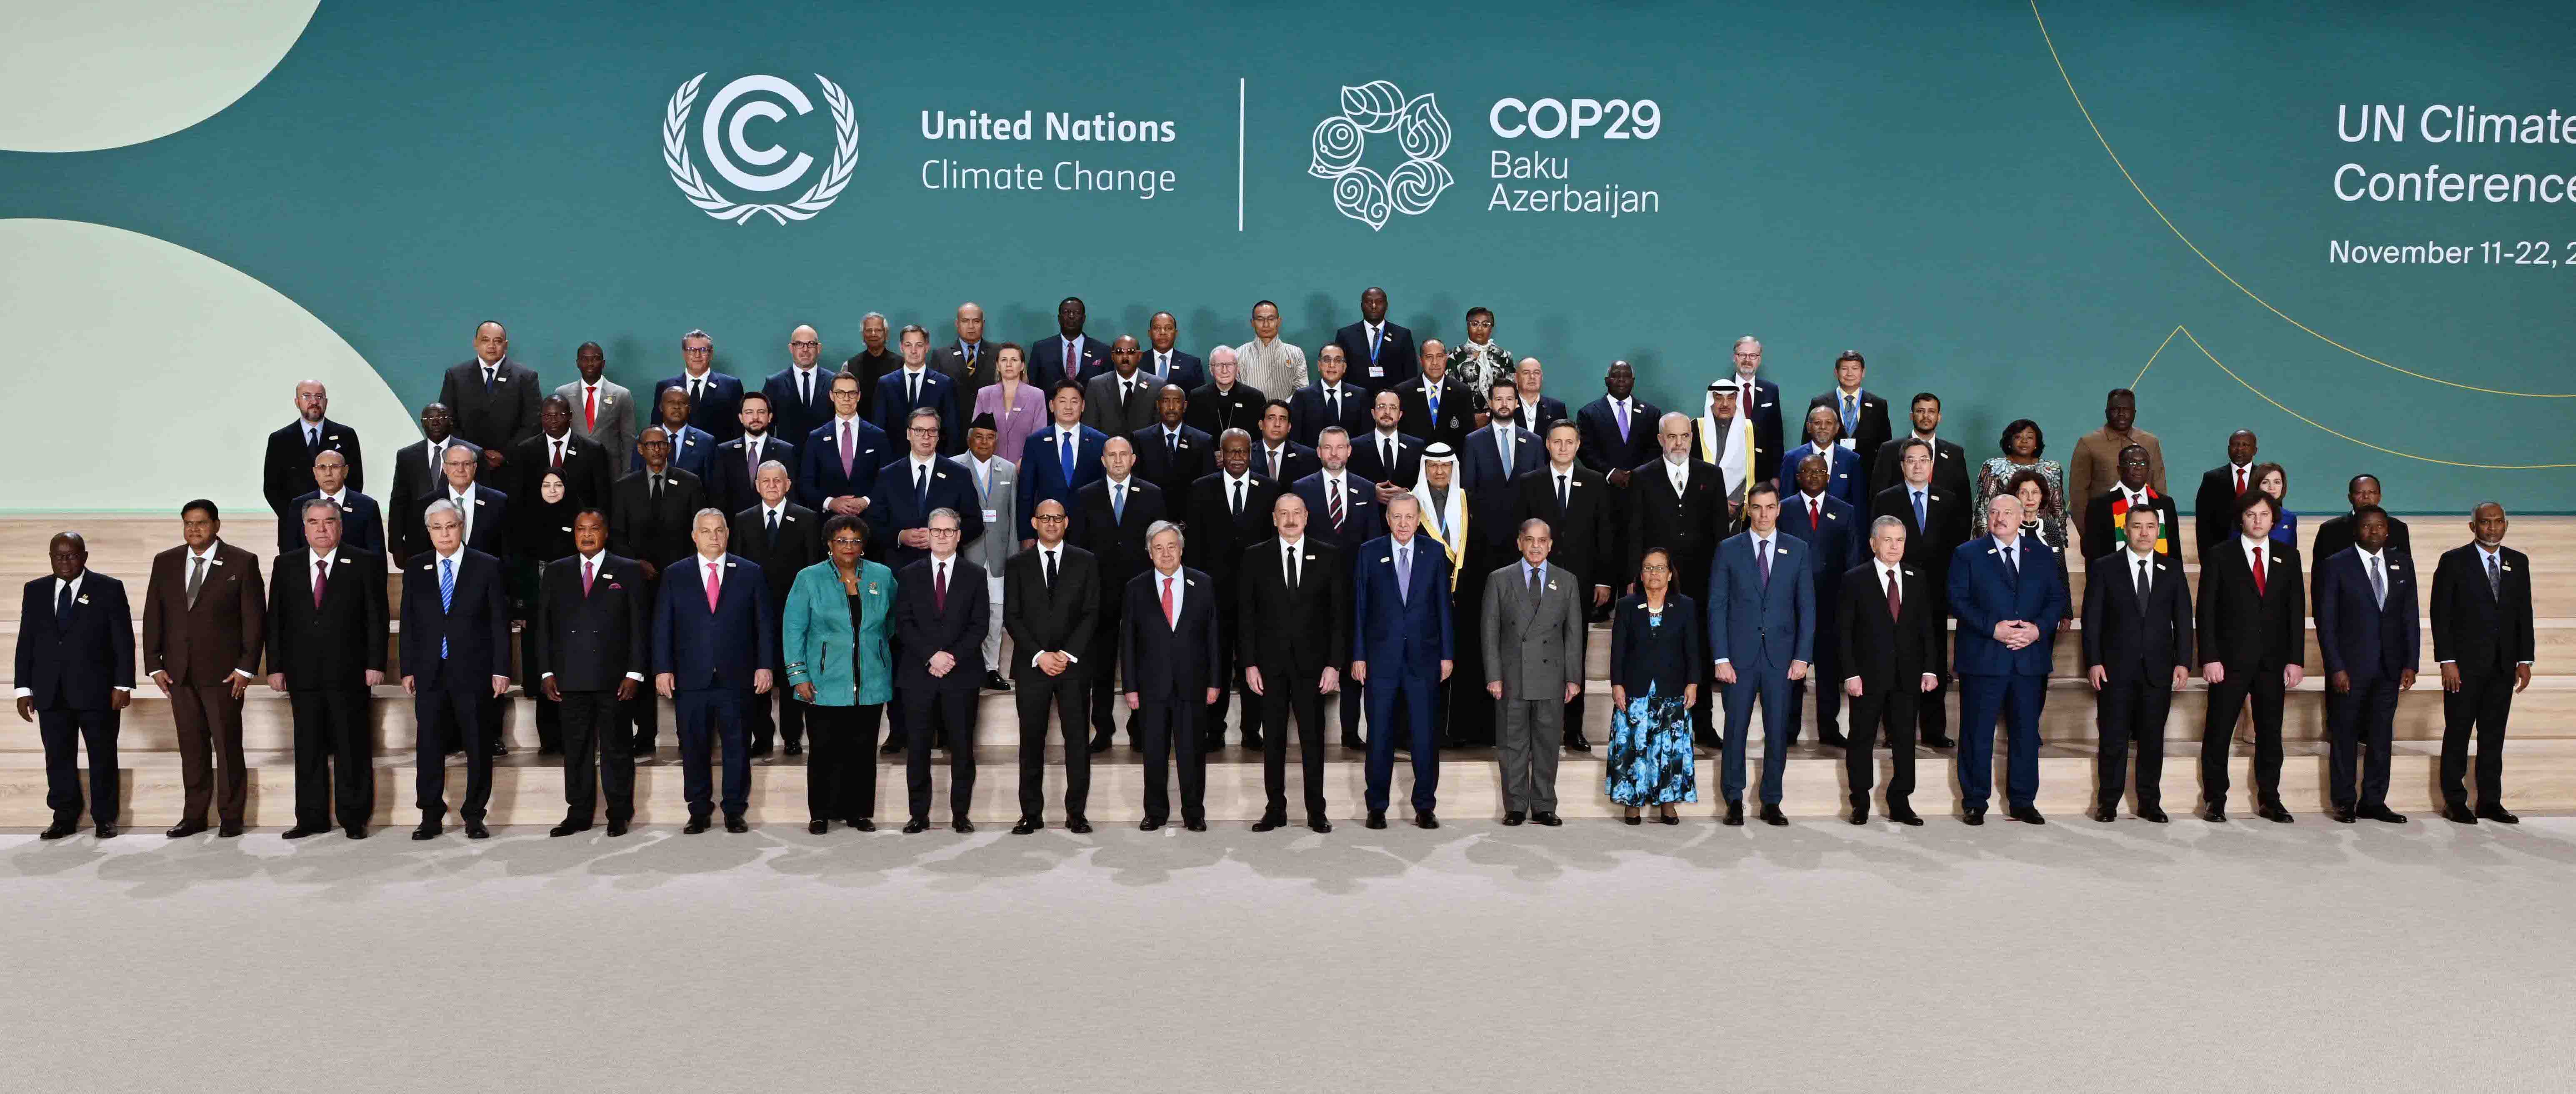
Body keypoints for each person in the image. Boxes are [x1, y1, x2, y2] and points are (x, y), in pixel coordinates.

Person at [265, 500, 387, 839]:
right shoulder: (286, 564)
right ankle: (311, 818)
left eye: (329, 521)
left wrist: (376, 663)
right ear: (304, 528)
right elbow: (275, 620)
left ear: (340, 526)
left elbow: (376, 617)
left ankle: (354, 817)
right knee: (308, 747)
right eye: (314, 522)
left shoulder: (364, 562)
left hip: (350, 672)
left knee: (352, 745)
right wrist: (274, 667)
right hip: (301, 673)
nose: (322, 529)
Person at [652, 509, 775, 833]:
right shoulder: (675, 574)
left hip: (737, 676)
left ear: (728, 533)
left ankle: (735, 810)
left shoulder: (750, 572)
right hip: (691, 676)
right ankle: (699, 810)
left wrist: (765, 665)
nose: (713, 537)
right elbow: (663, 625)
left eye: (719, 530)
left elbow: (764, 624)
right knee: (694, 747)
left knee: (737, 747)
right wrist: (662, 668)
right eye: (706, 531)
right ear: (695, 536)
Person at [1948, 493, 2066, 825]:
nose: (2000, 518)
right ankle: (1974, 801)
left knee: (2026, 733)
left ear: (2021, 516)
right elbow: (1957, 600)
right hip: (1983, 658)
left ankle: (2023, 801)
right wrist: (1993, 629)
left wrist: (2037, 630)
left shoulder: (2041, 554)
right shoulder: (1967, 554)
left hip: (2029, 659)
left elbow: (2056, 599)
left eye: (2007, 512)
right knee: (1976, 733)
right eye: (1994, 512)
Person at [532, 509, 649, 836]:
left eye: (594, 528)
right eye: (581, 529)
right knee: (576, 750)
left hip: (615, 678)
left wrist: (635, 673)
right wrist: (545, 672)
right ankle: (579, 813)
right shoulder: (556, 571)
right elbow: (543, 627)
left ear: (606, 533)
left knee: (617, 748)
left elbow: (640, 626)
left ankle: (619, 813)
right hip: (569, 678)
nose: (587, 535)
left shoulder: (628, 570)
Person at [400, 501, 510, 839]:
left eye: (450, 526)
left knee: (477, 744)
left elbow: (499, 622)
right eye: (437, 527)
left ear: (461, 527)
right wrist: (408, 668)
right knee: (429, 745)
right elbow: (409, 621)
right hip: (430, 671)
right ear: (429, 531)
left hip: (474, 671)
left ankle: (474, 815)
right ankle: (430, 815)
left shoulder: (487, 565)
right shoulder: (416, 567)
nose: (445, 533)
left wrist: (501, 668)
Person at [1707, 483, 1816, 826]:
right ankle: (1733, 799)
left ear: (1779, 509)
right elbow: (1717, 606)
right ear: (1748, 510)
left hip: (1781, 659)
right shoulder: (1728, 549)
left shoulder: (1797, 549)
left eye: (1770, 507)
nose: (1764, 514)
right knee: (1734, 730)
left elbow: (1806, 607)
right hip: (1738, 659)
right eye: (1757, 507)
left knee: (1778, 732)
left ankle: (1771, 800)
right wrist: (1721, 657)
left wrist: (1802, 656)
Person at [1239, 494, 1348, 832]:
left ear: (1306, 516)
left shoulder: (1328, 555)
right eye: (1283, 514)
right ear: (1274, 519)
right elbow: (1246, 615)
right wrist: (1249, 663)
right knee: (1272, 741)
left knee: (1312, 741)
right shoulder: (1255, 556)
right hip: (1268, 667)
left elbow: (1339, 616)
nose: (1290, 519)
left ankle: (1316, 811)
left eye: (1296, 513)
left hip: (1313, 667)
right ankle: (1275, 809)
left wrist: (1334, 664)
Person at [2195, 490, 2306, 823]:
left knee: (2270, 733)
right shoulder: (2220, 555)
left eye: (2264, 515)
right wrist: (2209, 657)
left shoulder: (2288, 556)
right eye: (2250, 515)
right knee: (2218, 732)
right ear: (2241, 519)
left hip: (2273, 662)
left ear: (2274, 520)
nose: (2257, 521)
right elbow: (2206, 610)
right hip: (2228, 662)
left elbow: (2295, 611)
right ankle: (2214, 799)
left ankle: (2270, 799)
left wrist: (2295, 659)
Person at [16, 532, 135, 839]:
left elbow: (123, 640)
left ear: (84, 556)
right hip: (50, 691)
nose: (64, 561)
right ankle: (64, 817)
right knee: (57, 757)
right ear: (50, 558)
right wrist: (23, 689)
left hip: (98, 691)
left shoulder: (108, 588)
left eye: (71, 555)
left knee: (103, 755)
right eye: (58, 556)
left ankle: (105, 818)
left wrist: (123, 684)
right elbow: (26, 641)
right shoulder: (35, 590)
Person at [783, 515, 895, 832]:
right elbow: (793, 629)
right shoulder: (809, 578)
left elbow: (891, 622)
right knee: (824, 749)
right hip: (823, 681)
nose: (849, 546)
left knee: (863, 749)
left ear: (864, 545)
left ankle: (859, 812)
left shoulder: (882, 575)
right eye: (842, 540)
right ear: (830, 544)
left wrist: (876, 651)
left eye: (856, 540)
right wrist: (799, 676)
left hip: (870, 679)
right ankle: (821, 813)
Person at [2079, 505, 2189, 823]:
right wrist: (2094, 661)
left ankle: (2149, 802)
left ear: (2158, 531)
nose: (2144, 533)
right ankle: (2107, 802)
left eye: (2150, 526)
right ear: (2125, 530)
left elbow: (2183, 620)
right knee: (2112, 739)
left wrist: (2183, 661)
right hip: (2114, 669)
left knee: (2152, 739)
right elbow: (2092, 620)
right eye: (2137, 526)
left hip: (2158, 669)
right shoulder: (2104, 567)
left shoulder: (2172, 568)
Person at [1352, 493, 1455, 829]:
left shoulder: (1434, 552)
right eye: (1396, 517)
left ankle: (1425, 806)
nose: (1403, 523)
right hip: (1380, 661)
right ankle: (1376, 807)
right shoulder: (1369, 552)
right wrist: (1359, 655)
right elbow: (1360, 608)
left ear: (1418, 518)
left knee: (1424, 736)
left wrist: (1447, 654)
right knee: (1379, 735)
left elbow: (1443, 606)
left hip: (1424, 660)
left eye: (1409, 517)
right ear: (1387, 519)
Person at [2312, 505, 2418, 824]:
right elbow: (2326, 622)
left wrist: (2411, 662)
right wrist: (2336, 666)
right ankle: (2344, 801)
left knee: (2381, 736)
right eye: (2367, 526)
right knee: (2344, 734)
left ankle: (2374, 800)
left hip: (2389, 666)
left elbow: (2409, 615)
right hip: (2349, 668)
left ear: (2388, 530)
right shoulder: (2336, 564)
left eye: (2380, 527)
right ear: (2356, 529)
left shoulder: (2401, 562)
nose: (2374, 532)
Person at [2431, 503, 2532, 824]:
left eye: (2497, 522)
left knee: (2493, 736)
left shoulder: (2518, 561)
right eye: (2485, 522)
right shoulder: (2453, 561)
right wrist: (2447, 661)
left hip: (2502, 666)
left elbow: (2523, 613)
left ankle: (2489, 801)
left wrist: (2524, 659)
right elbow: (2440, 615)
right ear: (2472, 526)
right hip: (2463, 667)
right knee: (2458, 732)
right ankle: (2454, 800)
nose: (2491, 528)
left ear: (2506, 525)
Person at [1512, 421, 1611, 749]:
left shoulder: (1595, 482)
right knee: (1535, 654)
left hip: (1580, 584)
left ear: (1578, 445)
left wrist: (1603, 579)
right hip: (1536, 581)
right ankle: (1537, 730)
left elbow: (1604, 533)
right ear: (1547, 444)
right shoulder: (1529, 482)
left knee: (1574, 654)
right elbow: (1520, 534)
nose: (1564, 447)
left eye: (1570, 442)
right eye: (1558, 442)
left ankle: (1573, 730)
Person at [610, 426, 707, 757]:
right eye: (650, 444)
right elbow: (616, 535)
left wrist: (679, 569)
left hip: (681, 584)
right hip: (638, 585)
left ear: (669, 448)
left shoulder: (690, 483)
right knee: (642, 655)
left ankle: (687, 733)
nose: (656, 449)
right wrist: (635, 564)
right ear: (640, 449)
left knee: (682, 655)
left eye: (661, 444)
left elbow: (698, 532)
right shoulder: (624, 487)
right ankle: (645, 734)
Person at [1004, 500, 1099, 834]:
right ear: (1034, 522)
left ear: (1066, 522)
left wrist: (1066, 653)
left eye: (1057, 518)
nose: (1051, 523)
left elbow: (1091, 611)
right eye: (1044, 518)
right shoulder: (1017, 564)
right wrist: (1040, 655)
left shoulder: (1085, 561)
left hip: (1073, 666)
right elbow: (1012, 616)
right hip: (1032, 666)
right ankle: (1030, 813)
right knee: (1031, 741)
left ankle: (1077, 813)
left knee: (1077, 741)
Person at [1483, 519, 1587, 827]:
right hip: (1512, 676)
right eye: (1530, 540)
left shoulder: (1567, 581)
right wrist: (1494, 675)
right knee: (1512, 744)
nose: (1536, 546)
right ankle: (1515, 806)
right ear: (1519, 543)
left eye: (1542, 540)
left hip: (1550, 676)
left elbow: (1574, 634)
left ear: (1550, 545)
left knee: (1547, 745)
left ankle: (1544, 806)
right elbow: (1490, 633)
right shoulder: (1499, 579)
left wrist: (1573, 677)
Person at [1629, 412, 1724, 744]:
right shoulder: (1642, 476)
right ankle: (1658, 723)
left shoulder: (1711, 475)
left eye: (1684, 436)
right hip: (1655, 583)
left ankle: (1704, 724)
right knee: (1658, 649)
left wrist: (1720, 580)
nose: (1679, 443)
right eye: (1672, 437)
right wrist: (1635, 578)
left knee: (1699, 648)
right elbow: (1635, 532)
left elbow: (1720, 534)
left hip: (1701, 581)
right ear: (1660, 440)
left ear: (1692, 438)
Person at [1119, 522, 1222, 829]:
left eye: (1171, 547)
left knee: (1192, 752)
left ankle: (1194, 813)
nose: (1166, 554)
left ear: (1181, 549)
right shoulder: (1135, 588)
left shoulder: (1202, 583)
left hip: (1193, 683)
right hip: (1151, 686)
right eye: (1158, 548)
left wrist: (1215, 681)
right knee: (1154, 753)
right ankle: (1155, 812)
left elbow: (1213, 637)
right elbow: (1128, 642)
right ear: (1150, 553)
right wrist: (1130, 687)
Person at [1840, 517, 1941, 826]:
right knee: (1861, 739)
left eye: (1899, 540)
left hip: (1907, 676)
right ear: (1873, 543)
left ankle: (1900, 802)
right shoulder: (1855, 579)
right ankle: (1860, 802)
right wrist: (1850, 674)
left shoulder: (1917, 577)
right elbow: (1843, 632)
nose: (1894, 546)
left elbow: (1927, 628)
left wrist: (1930, 669)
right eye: (1887, 540)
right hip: (1867, 676)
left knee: (1905, 740)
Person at [1184, 428, 1281, 750]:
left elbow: (1274, 545)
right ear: (1221, 455)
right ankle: (1214, 729)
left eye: (1243, 452)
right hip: (1215, 594)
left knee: (1254, 661)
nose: (1237, 457)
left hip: (1259, 596)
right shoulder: (1201, 489)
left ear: (1251, 454)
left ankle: (1252, 729)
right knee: (1217, 662)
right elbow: (1194, 547)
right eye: (1231, 452)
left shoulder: (1270, 489)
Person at [890, 509, 986, 832]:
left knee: (962, 748)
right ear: (928, 535)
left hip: (961, 674)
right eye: (936, 531)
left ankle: (961, 814)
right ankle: (918, 814)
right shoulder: (908, 574)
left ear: (958, 536)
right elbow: (903, 623)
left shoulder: (975, 575)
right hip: (919, 674)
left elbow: (979, 625)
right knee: (918, 748)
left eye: (948, 531)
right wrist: (931, 656)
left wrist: (950, 657)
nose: (942, 536)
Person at [1869, 436, 1967, 748]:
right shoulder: (1886, 499)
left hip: (1935, 594)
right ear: (1902, 465)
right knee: (1894, 659)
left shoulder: (1948, 499)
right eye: (1911, 460)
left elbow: (1956, 548)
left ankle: (1934, 729)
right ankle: (1895, 731)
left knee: (1933, 659)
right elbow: (1877, 546)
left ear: (1932, 464)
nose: (1918, 466)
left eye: (1924, 460)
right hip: (1895, 590)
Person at [1292, 426, 1384, 750]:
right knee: (1315, 660)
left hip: (1355, 592)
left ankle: (1350, 732)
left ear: (1349, 451)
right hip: (1313, 594)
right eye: (1328, 448)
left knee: (1353, 661)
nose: (1334, 454)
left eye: (1340, 447)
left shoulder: (1366, 488)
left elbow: (1373, 542)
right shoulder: (1301, 489)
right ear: (1318, 452)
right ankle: (1313, 733)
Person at [1070, 437, 1165, 752]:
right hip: (1100, 592)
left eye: (1124, 454)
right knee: (1101, 664)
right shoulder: (1086, 495)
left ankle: (1141, 730)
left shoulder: (1152, 494)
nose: (1118, 460)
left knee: (1144, 661)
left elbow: (1160, 545)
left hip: (1142, 591)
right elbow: (1079, 548)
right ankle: (1102, 729)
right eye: (1112, 455)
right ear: (1103, 460)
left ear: (1133, 459)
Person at [731, 460, 822, 756]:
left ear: (788, 485)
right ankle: (762, 736)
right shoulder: (742, 520)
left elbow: (813, 567)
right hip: (755, 612)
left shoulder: (807, 518)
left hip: (794, 611)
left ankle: (792, 736)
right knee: (758, 673)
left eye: (777, 480)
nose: (772, 485)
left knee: (791, 673)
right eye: (766, 481)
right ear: (757, 486)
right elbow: (737, 568)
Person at [1607, 548, 1701, 824]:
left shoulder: (1685, 606)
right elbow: (1618, 651)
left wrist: (1693, 683)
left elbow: (1693, 649)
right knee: (1632, 746)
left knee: (1669, 747)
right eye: (1648, 568)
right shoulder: (1627, 605)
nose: (1654, 573)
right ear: (1641, 574)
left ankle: (1668, 803)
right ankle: (1632, 803)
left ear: (1670, 574)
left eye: (1660, 568)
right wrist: (1617, 684)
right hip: (1635, 688)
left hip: (1672, 688)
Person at [1779, 454, 1864, 747]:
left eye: (1820, 471)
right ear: (1798, 477)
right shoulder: (1784, 509)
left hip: (1831, 604)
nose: (1814, 476)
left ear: (1828, 476)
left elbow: (1853, 560)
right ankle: (1788, 729)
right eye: (1808, 471)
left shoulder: (1845, 511)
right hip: (1792, 605)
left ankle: (1829, 729)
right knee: (1793, 669)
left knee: (1829, 670)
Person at [508, 470, 580, 755]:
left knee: (571, 669)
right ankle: (549, 740)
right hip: (535, 606)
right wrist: (520, 606)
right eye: (546, 485)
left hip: (572, 606)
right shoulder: (524, 517)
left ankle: (572, 738)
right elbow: (516, 564)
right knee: (542, 670)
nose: (552, 490)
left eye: (558, 485)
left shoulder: (579, 517)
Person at [1411, 443, 1475, 746]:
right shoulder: (1411, 503)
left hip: (1460, 599)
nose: (1439, 472)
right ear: (1424, 468)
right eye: (1433, 466)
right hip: (1421, 602)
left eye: (1446, 465)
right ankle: (1421, 732)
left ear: (1453, 468)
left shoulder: (1466, 500)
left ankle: (1456, 731)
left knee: (1458, 662)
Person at [870, 407, 984, 570]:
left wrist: (942, 538)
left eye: (932, 431)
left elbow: (975, 523)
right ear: (909, 434)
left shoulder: (959, 474)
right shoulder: (888, 475)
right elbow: (874, 524)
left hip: (946, 569)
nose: (926, 436)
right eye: (919, 430)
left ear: (938, 436)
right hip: (900, 569)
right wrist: (900, 536)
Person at [954, 414, 1019, 691]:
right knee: (964, 614)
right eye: (979, 436)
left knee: (996, 616)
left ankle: (991, 669)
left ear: (997, 441)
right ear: (969, 439)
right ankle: (966, 667)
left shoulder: (1008, 470)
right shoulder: (954, 466)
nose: (984, 442)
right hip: (967, 554)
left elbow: (1012, 517)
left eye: (990, 437)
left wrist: (1013, 558)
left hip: (998, 556)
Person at [1017, 381, 1109, 545]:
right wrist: (1026, 535)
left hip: (1090, 530)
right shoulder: (1035, 442)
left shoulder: (1100, 441)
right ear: (1052, 406)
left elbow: (1105, 490)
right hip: (1048, 528)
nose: (1068, 407)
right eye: (1062, 401)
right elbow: (1026, 493)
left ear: (1083, 406)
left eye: (1074, 401)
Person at [438, 320, 540, 468]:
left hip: (512, 466)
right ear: (475, 343)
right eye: (485, 340)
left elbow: (533, 424)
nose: (492, 346)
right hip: (466, 465)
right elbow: (448, 420)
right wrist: (473, 453)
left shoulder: (526, 377)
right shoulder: (455, 375)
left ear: (506, 345)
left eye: (497, 341)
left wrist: (506, 454)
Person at [262, 380, 365, 523]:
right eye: (307, 396)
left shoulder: (346, 435)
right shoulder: (279, 439)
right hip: (294, 526)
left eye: (319, 396)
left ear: (326, 402)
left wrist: (337, 518)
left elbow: (355, 482)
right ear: (297, 402)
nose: (314, 401)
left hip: (338, 525)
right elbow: (272, 488)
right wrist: (297, 520)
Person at [402, 443, 510, 571]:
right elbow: (417, 553)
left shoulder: (498, 502)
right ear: (445, 468)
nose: (461, 469)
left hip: (487, 579)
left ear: (475, 467)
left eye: (467, 464)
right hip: (441, 579)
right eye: (454, 464)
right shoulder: (425, 504)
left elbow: (508, 552)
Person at [797, 371, 891, 517]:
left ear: (859, 396)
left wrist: (866, 501)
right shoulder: (816, 438)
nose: (846, 398)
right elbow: (806, 484)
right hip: (829, 522)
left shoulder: (878, 436)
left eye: (852, 393)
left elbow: (888, 480)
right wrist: (831, 503)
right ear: (832, 396)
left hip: (869, 520)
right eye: (840, 393)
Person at [510, 394, 616, 514]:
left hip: (579, 523)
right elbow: (518, 497)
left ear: (570, 416)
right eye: (548, 416)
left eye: (560, 415)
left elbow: (602, 498)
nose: (553, 421)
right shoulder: (525, 450)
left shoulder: (593, 451)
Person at [2079, 443, 2179, 567]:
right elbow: (2093, 556)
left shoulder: (2165, 504)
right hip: (2115, 575)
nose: (2138, 468)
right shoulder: (2100, 505)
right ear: (2119, 469)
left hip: (2158, 576)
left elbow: (2175, 552)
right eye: (2132, 463)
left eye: (2143, 464)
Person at [871, 324, 963, 456]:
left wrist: (945, 464)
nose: (913, 351)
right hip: (894, 462)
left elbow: (952, 432)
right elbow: (878, 430)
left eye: (919, 345)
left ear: (927, 347)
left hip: (934, 460)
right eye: (908, 345)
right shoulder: (886, 384)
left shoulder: (944, 384)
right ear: (901, 348)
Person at [2067, 388, 2167, 504]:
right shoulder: (2088, 443)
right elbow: (2078, 492)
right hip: (2103, 515)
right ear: (2106, 412)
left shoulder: (2151, 442)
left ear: (2134, 413)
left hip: (2144, 514)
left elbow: (2159, 487)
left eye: (2126, 410)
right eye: (2115, 409)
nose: (2121, 414)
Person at [710, 390, 800, 518]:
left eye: (761, 412)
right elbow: (718, 497)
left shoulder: (786, 451)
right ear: (741, 418)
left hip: (773, 523)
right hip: (734, 525)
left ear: (770, 417)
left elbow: (792, 497)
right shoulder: (724, 451)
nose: (755, 418)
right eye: (749, 412)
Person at [282, 448, 385, 558]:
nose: (328, 473)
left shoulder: (367, 506)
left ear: (345, 471)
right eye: (322, 467)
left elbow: (377, 558)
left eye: (335, 467)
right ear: (315, 472)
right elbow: (291, 553)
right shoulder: (298, 505)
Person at [1868, 392, 1971, 501]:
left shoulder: (1955, 454)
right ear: (1912, 416)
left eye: (1931, 411)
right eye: (1920, 411)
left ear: (1939, 417)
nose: (1926, 416)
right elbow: (1877, 498)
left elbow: (1964, 501)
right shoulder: (1889, 450)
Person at [557, 342, 640, 476]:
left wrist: (627, 476)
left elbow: (629, 442)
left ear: (603, 363)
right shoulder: (563, 394)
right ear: (578, 363)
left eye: (595, 359)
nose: (590, 364)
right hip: (572, 470)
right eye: (585, 359)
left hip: (611, 472)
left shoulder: (622, 395)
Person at [1976, 419, 2065, 542]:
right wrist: (1985, 543)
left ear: (2037, 443)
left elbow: (2058, 508)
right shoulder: (1993, 467)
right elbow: (1984, 509)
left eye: (2030, 437)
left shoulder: (2052, 469)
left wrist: (2059, 540)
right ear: (2009, 441)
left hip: (2043, 536)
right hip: (2004, 536)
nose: (2024, 441)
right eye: (2018, 437)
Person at [652, 328, 746, 443]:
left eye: (703, 350)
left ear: (711, 354)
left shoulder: (731, 386)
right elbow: (656, 431)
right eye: (692, 350)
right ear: (684, 354)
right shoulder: (665, 387)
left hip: (717, 453)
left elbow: (739, 432)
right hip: (675, 453)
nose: (697, 355)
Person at [1807, 350, 1891, 478]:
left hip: (1867, 474)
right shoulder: (1820, 403)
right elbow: (1807, 442)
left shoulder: (1878, 405)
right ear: (1836, 372)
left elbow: (1885, 446)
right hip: (1827, 473)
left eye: (1855, 369)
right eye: (1845, 369)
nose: (1850, 374)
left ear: (1863, 372)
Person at [760, 325, 839, 455]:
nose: (805, 349)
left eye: (811, 344)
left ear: (819, 348)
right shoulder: (774, 384)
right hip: (787, 460)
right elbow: (765, 428)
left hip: (828, 459)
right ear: (791, 348)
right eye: (799, 344)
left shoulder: (834, 382)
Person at [972, 343, 1049, 471]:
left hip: (1026, 469)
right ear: (998, 366)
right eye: (1004, 360)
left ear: (1022, 366)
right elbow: (976, 436)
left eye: (1014, 360)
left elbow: (1039, 437)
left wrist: (1022, 464)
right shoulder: (984, 394)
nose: (1009, 364)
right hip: (989, 469)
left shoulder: (1037, 396)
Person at [390, 403, 482, 511]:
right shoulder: (406, 456)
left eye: (441, 418)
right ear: (422, 423)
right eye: (429, 419)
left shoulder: (473, 452)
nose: (435, 423)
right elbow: (398, 501)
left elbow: (483, 496)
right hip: (418, 521)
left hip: (462, 518)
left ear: (451, 421)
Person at [1131, 383, 1214, 503]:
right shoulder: (1140, 439)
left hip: (1191, 511)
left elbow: (1208, 487)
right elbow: (1136, 483)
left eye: (1177, 402)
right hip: (1151, 510)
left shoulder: (1204, 441)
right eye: (1166, 401)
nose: (1171, 407)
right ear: (1158, 405)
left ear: (1185, 406)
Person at [1723, 336, 1785, 488]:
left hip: (1762, 472)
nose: (1747, 360)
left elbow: (1776, 437)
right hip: (1727, 471)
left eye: (1753, 356)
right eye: (1742, 355)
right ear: (1734, 358)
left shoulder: (1771, 391)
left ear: (1759, 360)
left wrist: (1776, 477)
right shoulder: (1721, 389)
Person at [2312, 474, 2415, 566]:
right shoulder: (2330, 530)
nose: (2366, 497)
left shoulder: (2398, 528)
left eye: (2372, 493)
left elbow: (2407, 569)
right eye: (2359, 493)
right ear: (2350, 498)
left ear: (2380, 497)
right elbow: (2320, 573)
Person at [1461, 381, 1541, 494]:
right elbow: (1468, 489)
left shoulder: (1534, 442)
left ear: (1516, 403)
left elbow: (1539, 488)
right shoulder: (1473, 442)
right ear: (1490, 403)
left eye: (1509, 399)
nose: (1504, 404)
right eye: (1499, 399)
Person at [1779, 405, 1864, 513]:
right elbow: (1786, 501)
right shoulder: (1792, 458)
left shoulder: (1852, 460)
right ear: (1809, 427)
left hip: (1841, 522)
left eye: (1829, 423)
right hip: (1801, 521)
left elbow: (1859, 504)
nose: (1823, 427)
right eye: (1818, 423)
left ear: (1837, 428)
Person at [1332, 285, 1417, 392]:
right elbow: (1339, 372)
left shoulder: (1403, 335)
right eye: (1369, 302)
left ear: (1386, 306)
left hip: (1393, 399)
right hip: (1355, 399)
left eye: (1379, 302)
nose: (1374, 306)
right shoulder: (1345, 335)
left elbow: (1411, 374)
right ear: (1361, 306)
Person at [1397, 339, 1476, 452]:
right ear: (1421, 360)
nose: (1435, 362)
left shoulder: (1462, 392)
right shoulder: (1403, 392)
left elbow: (1468, 438)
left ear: (1446, 358)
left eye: (1440, 356)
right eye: (1429, 357)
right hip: (1415, 460)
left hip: (1451, 460)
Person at [2192, 429, 2262, 555]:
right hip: (2221, 554)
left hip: (2258, 553)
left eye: (2245, 445)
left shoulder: (2264, 478)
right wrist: (2207, 561)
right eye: (2235, 445)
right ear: (2229, 449)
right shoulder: (2211, 479)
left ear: (2255, 450)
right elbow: (2203, 526)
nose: (2240, 449)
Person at [1289, 343, 1371, 447]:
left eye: (1338, 360)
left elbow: (1366, 438)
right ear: (1319, 365)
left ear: (1345, 367)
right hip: (1312, 456)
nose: (1332, 365)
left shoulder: (1360, 396)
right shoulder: (1302, 396)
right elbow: (1294, 440)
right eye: (1327, 360)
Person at [1694, 380, 1754, 519]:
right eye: (1719, 398)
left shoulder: (1752, 431)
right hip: (1703, 509)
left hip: (1742, 511)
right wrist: (1718, 502)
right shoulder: (1695, 430)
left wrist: (1736, 503)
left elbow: (1756, 474)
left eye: (1731, 398)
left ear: (1737, 401)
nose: (1725, 404)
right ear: (1711, 400)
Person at [1084, 335, 1161, 439]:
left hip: (1145, 449)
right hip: (1107, 448)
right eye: (1119, 352)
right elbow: (1089, 430)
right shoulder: (1096, 386)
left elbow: (1160, 431)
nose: (1125, 357)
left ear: (1139, 356)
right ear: (1113, 357)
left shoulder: (1157, 386)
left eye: (1131, 352)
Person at [1350, 389, 1424, 493]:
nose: (1387, 412)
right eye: (1382, 407)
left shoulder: (1417, 447)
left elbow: (1424, 482)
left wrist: (1407, 493)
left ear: (1400, 415)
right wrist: (1372, 492)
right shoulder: (1355, 446)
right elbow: (1351, 483)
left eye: (1393, 408)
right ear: (1373, 413)